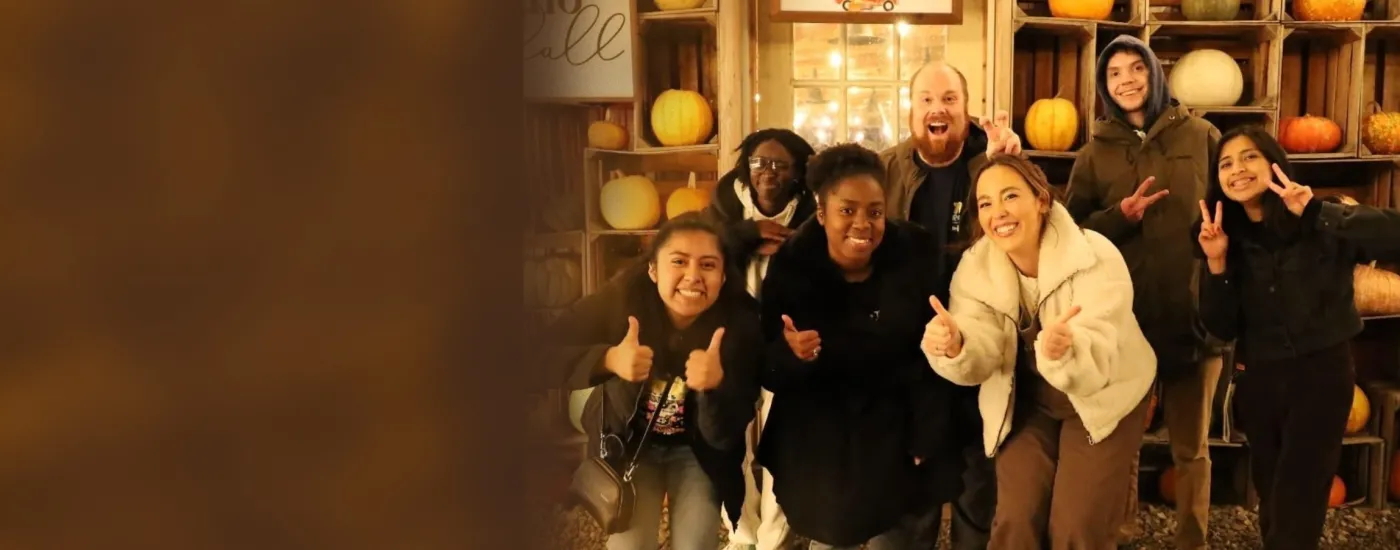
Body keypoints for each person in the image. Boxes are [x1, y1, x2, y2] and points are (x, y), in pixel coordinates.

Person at [924, 154, 1156, 549]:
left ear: (1042, 200)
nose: (999, 212)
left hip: (1104, 395)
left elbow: (1100, 343)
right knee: (1017, 519)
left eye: (1010, 196)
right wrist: (956, 345)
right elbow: (983, 343)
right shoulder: (975, 267)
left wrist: (1066, 349)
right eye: (986, 203)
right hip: (1031, 402)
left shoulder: (1093, 254)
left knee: (1077, 527)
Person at [1195, 126, 1400, 549]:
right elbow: (1222, 327)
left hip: (1320, 375)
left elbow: (1393, 234)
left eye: (1248, 157)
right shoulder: (1225, 240)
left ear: (1273, 163)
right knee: (1272, 489)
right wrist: (1216, 265)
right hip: (1260, 380)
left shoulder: (1321, 219)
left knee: (1300, 490)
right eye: (1226, 164)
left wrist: (1315, 212)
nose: (1237, 170)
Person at [1064, 35, 1225, 549]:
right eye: (1114, 73)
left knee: (1191, 447)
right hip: (1123, 325)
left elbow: (1233, 213)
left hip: (1191, 316)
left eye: (1137, 68)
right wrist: (1121, 217)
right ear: (1103, 86)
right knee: (1121, 444)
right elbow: (1072, 234)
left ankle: (1192, 539)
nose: (1127, 79)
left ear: (1156, 75)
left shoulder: (1201, 136)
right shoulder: (1093, 153)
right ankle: (1120, 532)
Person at [758, 143, 960, 549]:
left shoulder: (914, 252)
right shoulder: (793, 265)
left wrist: (927, 433)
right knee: (832, 529)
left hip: (899, 419)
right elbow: (766, 367)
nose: (862, 224)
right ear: (822, 212)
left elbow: (933, 356)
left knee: (905, 526)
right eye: (847, 210)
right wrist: (792, 355)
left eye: (875, 211)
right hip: (822, 430)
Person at [541, 213, 764, 550]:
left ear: (722, 275)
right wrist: (608, 359)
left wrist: (717, 386)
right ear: (653, 270)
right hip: (630, 447)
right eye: (678, 261)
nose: (692, 276)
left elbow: (726, 434)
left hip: (698, 452)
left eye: (707, 265)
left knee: (696, 543)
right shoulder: (621, 300)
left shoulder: (741, 322)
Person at [878, 61, 1022, 550]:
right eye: (925, 99)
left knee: (978, 483)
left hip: (980, 347)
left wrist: (1014, 167)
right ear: (911, 110)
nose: (937, 108)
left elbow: (1038, 222)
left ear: (967, 110)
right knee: (909, 488)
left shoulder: (993, 165)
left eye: (949, 99)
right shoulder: (884, 169)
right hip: (906, 356)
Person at [704, 128, 817, 550]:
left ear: (797, 173)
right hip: (731, 339)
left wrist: (794, 247)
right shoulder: (723, 207)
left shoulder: (810, 213)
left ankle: (773, 535)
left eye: (779, 165)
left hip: (782, 341)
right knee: (729, 441)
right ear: (745, 169)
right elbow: (700, 252)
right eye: (758, 163)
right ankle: (740, 530)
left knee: (781, 440)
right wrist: (747, 233)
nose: (767, 173)